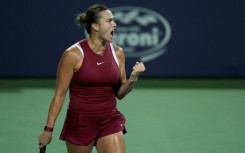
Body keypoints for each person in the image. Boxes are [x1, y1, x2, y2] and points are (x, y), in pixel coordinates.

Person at [38, 3, 145, 153]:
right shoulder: (72, 55)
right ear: (95, 26)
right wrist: (48, 129)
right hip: (80, 123)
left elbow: (120, 94)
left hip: (109, 119)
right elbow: (60, 95)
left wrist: (133, 77)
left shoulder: (118, 53)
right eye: (109, 21)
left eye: (114, 20)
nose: (114, 24)